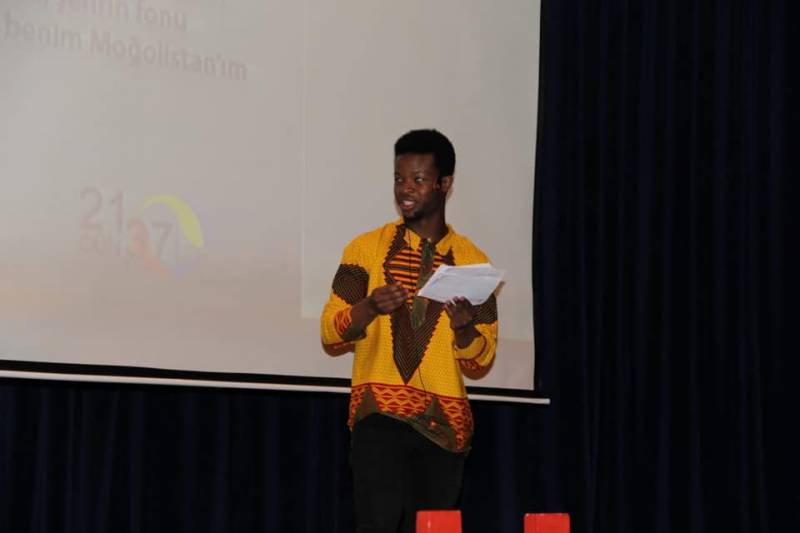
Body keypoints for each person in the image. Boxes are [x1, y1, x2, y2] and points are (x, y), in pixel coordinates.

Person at [320, 129, 498, 533]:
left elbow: (481, 358)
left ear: (444, 184)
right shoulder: (365, 249)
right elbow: (331, 331)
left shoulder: (474, 262)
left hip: (445, 426)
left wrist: (464, 331)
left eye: (418, 180)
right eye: (399, 178)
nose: (405, 189)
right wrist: (369, 307)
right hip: (378, 415)